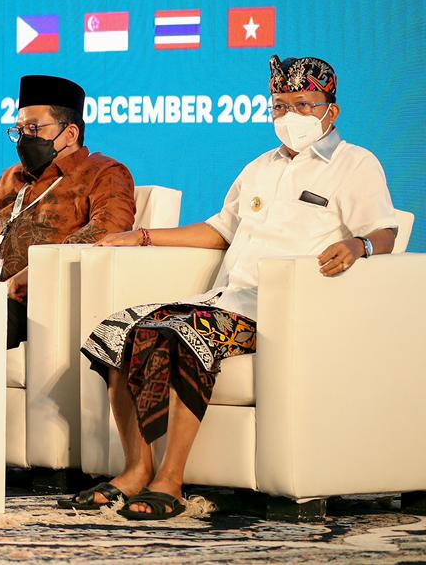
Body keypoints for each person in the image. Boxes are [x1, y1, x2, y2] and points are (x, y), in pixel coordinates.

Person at [65, 56, 398, 520]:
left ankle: (171, 479)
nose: (291, 116)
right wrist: (141, 236)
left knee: (182, 333)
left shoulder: (355, 164)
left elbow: (385, 230)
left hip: (280, 310)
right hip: (226, 300)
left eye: (304, 105)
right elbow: (220, 230)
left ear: (331, 110)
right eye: (280, 106)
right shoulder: (259, 167)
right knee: (117, 329)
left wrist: (359, 245)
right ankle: (137, 469)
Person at [0, 74, 136, 348]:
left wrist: (36, 271)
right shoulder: (14, 176)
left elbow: (107, 231)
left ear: (70, 133)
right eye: (19, 130)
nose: (24, 138)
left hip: (38, 302)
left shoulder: (104, 172)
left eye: (33, 128)